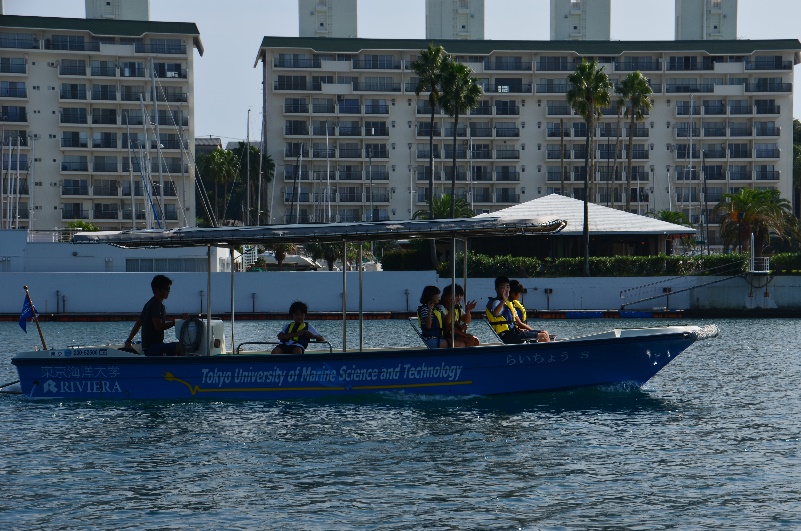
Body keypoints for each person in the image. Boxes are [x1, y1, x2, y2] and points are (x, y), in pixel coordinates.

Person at [125, 274, 188, 356]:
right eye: (167, 289)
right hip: (153, 348)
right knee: (183, 346)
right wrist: (176, 322)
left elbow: (139, 323)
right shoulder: (156, 304)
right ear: (158, 290)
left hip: (147, 348)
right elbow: (158, 327)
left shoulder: (149, 303)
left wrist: (129, 340)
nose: (169, 291)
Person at [486, 275, 527, 344]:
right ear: (496, 289)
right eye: (503, 287)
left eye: (507, 287)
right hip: (507, 336)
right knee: (542, 336)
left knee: (542, 334)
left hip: (513, 333)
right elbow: (496, 313)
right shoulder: (497, 302)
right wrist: (504, 300)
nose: (506, 289)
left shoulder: (509, 304)